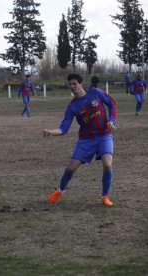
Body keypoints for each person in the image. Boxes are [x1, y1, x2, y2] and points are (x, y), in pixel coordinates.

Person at [44, 73, 117, 206]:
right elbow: (64, 128)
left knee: (107, 164)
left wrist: (112, 120)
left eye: (74, 84)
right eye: (70, 84)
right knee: (71, 168)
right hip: (86, 140)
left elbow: (112, 104)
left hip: (104, 135)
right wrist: (50, 132)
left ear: (80, 83)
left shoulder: (96, 93)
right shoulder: (72, 106)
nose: (72, 87)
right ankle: (60, 190)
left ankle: (105, 197)